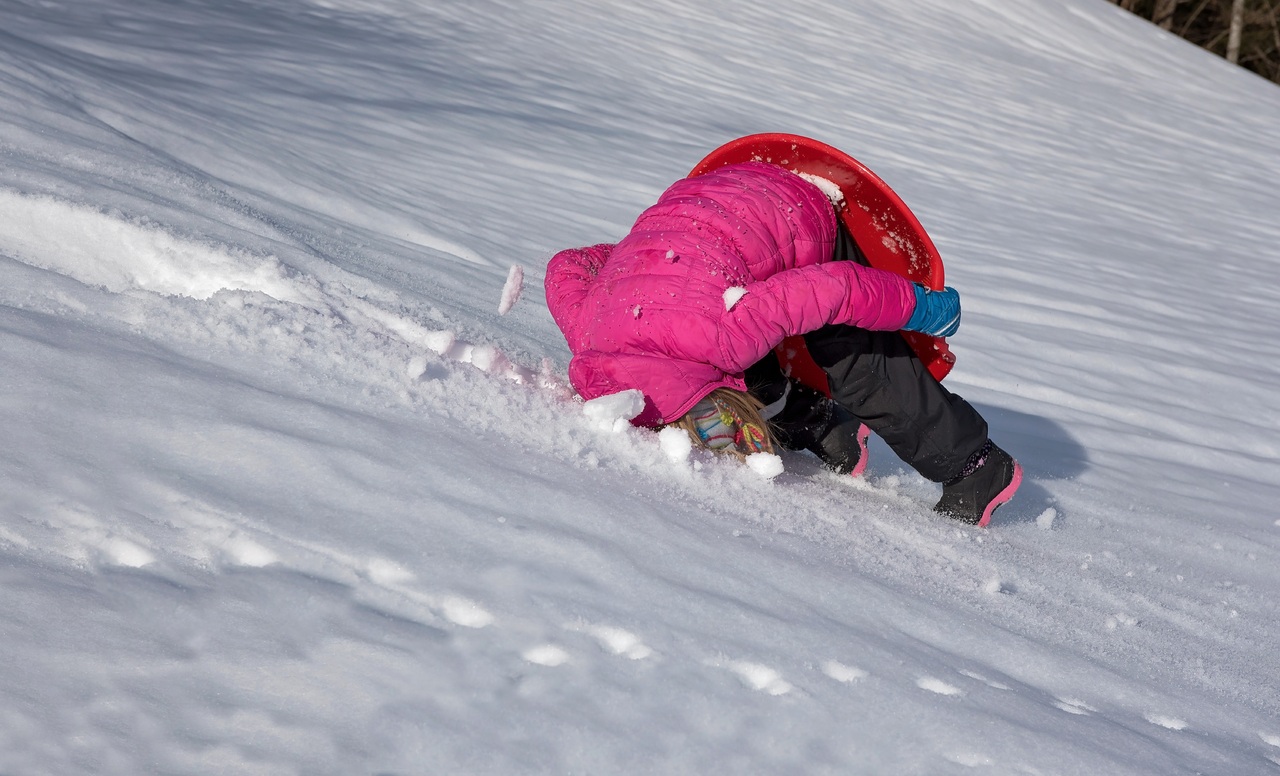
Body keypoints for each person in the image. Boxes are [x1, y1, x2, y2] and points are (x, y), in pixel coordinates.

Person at [544, 161, 1022, 526]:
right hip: (705, 193)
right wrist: (633, 261)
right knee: (757, 331)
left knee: (855, 361)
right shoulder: (587, 327)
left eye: (708, 423)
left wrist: (923, 308)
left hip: (795, 205)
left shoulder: (724, 337)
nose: (720, 436)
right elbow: (565, 264)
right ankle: (818, 424)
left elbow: (837, 288)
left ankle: (976, 468)